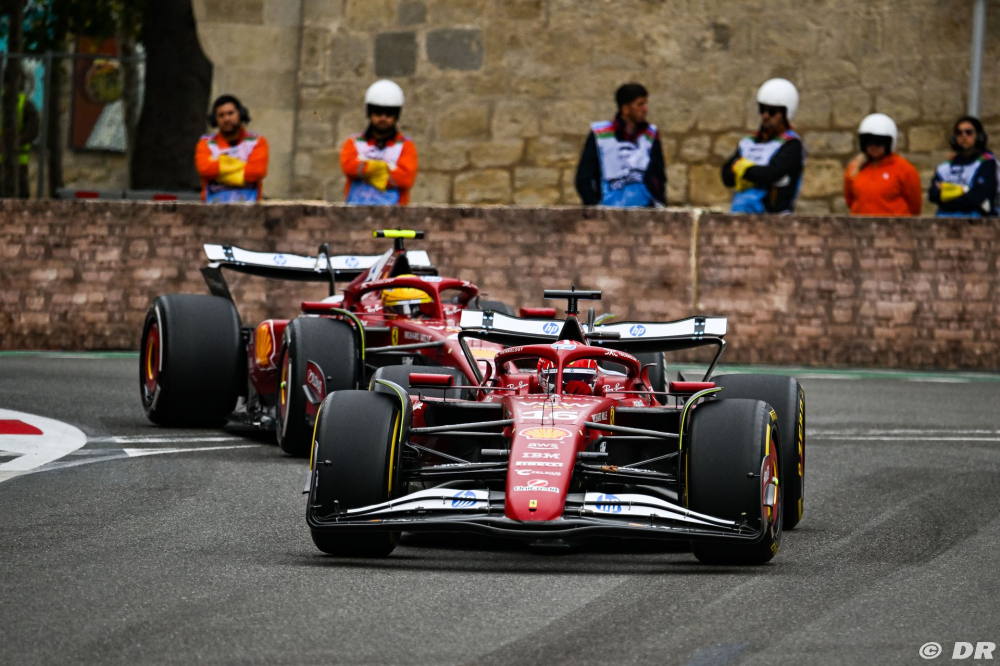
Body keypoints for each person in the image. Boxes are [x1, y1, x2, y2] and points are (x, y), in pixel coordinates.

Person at [721, 79, 806, 214]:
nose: (765, 116)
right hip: (740, 215)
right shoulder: (748, 143)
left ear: (786, 114)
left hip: (772, 219)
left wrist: (742, 168)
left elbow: (770, 174)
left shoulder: (791, 145)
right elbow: (726, 176)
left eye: (772, 112)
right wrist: (753, 171)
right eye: (762, 110)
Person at [574, 83, 666, 207]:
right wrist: (593, 206)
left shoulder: (650, 134)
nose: (645, 109)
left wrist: (659, 202)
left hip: (644, 210)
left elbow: (659, 175)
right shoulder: (600, 134)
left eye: (645, 104)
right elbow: (584, 176)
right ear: (625, 109)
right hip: (607, 209)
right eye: (640, 105)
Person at [340, 80, 418, 205]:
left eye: (389, 113)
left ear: (396, 115)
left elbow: (406, 178)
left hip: (395, 215)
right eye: (378, 111)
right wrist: (379, 168)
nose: (383, 118)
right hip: (354, 212)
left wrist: (368, 170)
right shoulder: (354, 143)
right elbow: (349, 167)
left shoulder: (405, 145)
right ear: (369, 112)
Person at [843, 114, 922, 216]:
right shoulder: (854, 168)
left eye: (879, 142)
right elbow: (850, 199)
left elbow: (914, 205)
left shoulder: (905, 169)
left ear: (888, 143)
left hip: (894, 228)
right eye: (869, 142)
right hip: (861, 227)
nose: (874, 147)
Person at [195, 95, 269, 203]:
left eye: (230, 113)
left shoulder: (257, 142)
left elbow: (256, 172)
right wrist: (242, 166)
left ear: (240, 114)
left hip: (250, 211)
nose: (226, 119)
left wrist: (219, 168)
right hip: (212, 210)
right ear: (215, 119)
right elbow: (205, 170)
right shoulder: (206, 143)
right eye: (221, 115)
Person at [929, 116, 998, 218]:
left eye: (968, 132)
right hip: (945, 219)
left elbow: (977, 198)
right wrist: (965, 190)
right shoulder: (945, 168)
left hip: (978, 222)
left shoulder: (988, 163)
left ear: (979, 136)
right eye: (959, 133)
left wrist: (947, 192)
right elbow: (933, 195)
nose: (963, 136)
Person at [0, 70, 40, 198]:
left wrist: (11, 143)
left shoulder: (25, 105)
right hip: (18, 161)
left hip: (17, 160)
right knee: (19, 198)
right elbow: (33, 131)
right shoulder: (26, 105)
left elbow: (32, 131)